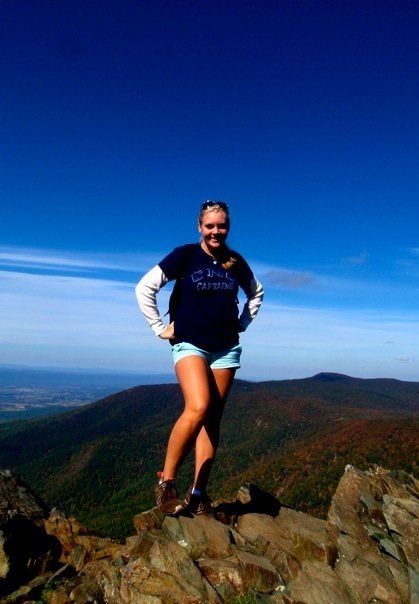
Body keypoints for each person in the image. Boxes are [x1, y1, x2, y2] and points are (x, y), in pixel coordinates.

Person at [135, 200, 264, 515]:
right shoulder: (186, 255)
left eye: (221, 226)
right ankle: (167, 484)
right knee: (198, 406)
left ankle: (198, 495)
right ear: (200, 227)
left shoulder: (235, 260)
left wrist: (242, 323)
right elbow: (145, 288)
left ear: (228, 227)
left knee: (212, 421)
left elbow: (256, 292)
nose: (216, 231)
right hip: (190, 343)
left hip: (226, 348)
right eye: (210, 226)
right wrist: (158, 327)